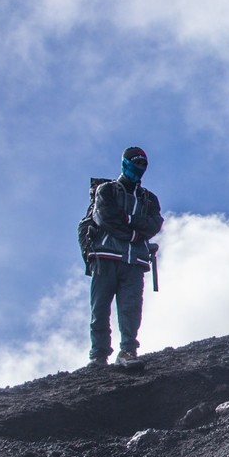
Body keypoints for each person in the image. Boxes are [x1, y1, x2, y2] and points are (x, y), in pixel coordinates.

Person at [85, 146, 163, 367]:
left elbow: (155, 223)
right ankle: (99, 355)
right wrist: (134, 233)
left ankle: (128, 352)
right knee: (100, 308)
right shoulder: (106, 190)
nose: (140, 167)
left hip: (134, 262)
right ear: (125, 162)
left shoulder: (149, 199)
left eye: (143, 163)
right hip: (106, 256)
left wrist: (128, 223)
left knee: (131, 309)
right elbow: (104, 217)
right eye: (136, 162)